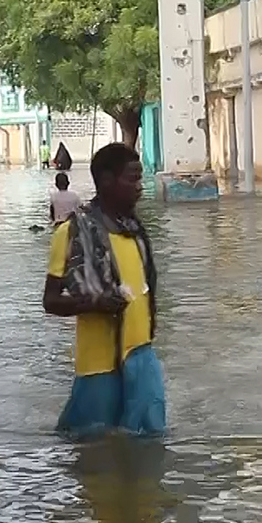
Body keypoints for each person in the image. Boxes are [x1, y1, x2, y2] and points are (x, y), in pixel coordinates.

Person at [43, 142, 164, 438]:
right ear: (107, 181)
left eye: (140, 178)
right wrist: (94, 302)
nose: (140, 187)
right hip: (98, 367)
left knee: (150, 447)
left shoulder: (134, 230)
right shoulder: (71, 233)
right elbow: (51, 301)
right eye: (132, 178)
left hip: (141, 357)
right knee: (93, 451)